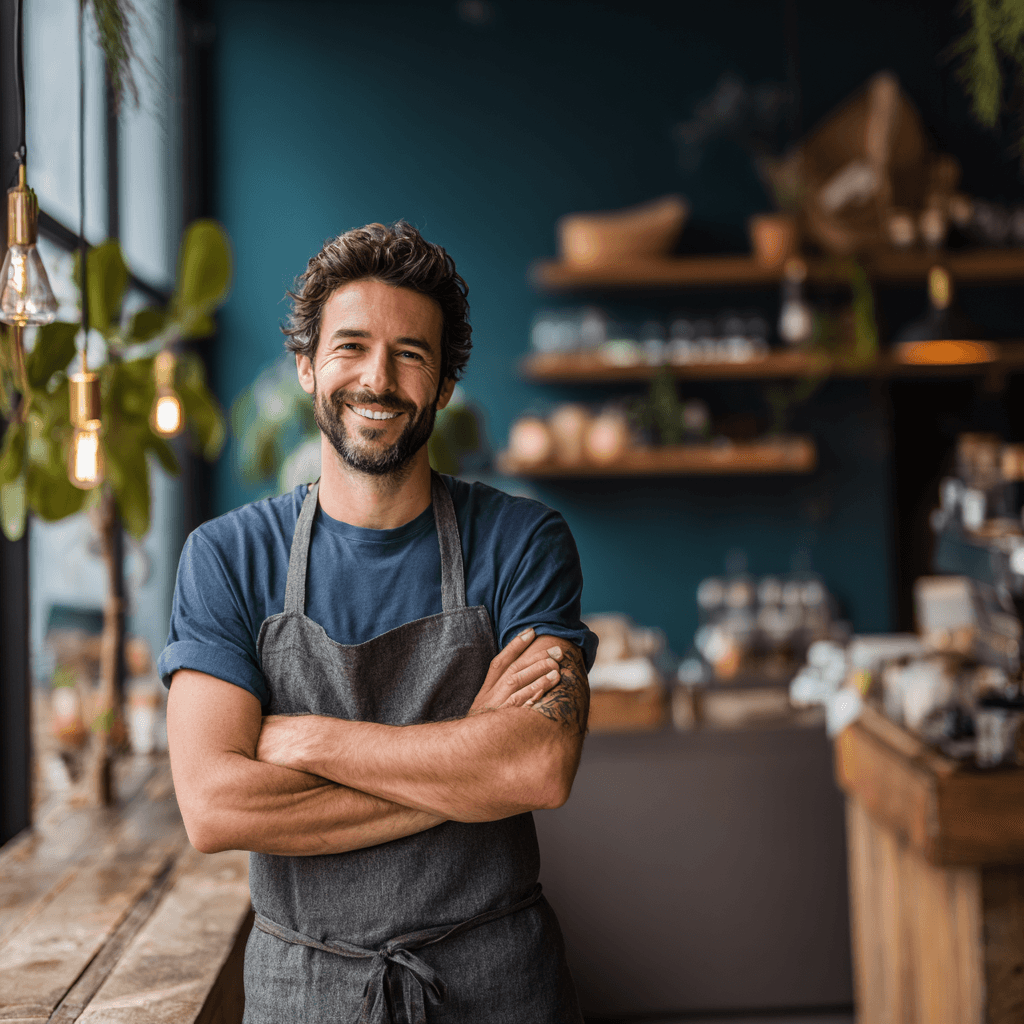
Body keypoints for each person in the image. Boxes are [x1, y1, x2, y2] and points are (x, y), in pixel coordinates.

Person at [160, 221, 597, 1024]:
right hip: (305, 991)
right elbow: (216, 806)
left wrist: (310, 739)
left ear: (444, 385)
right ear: (305, 366)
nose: (379, 378)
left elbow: (536, 767)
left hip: (498, 982)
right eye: (351, 346)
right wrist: (469, 765)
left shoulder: (524, 541)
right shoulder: (227, 556)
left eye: (411, 354)